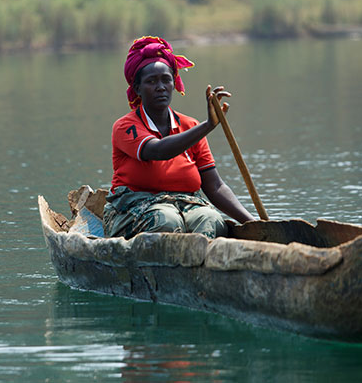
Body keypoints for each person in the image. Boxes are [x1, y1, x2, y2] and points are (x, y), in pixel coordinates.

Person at [104, 36, 256, 240]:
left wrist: (254, 223)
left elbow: (215, 186)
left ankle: (200, 267)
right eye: (151, 81)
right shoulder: (126, 126)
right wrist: (208, 125)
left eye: (166, 80)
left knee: (211, 220)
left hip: (186, 205)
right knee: (166, 221)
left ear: (174, 84)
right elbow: (158, 151)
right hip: (134, 209)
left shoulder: (189, 126)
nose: (160, 87)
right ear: (137, 89)